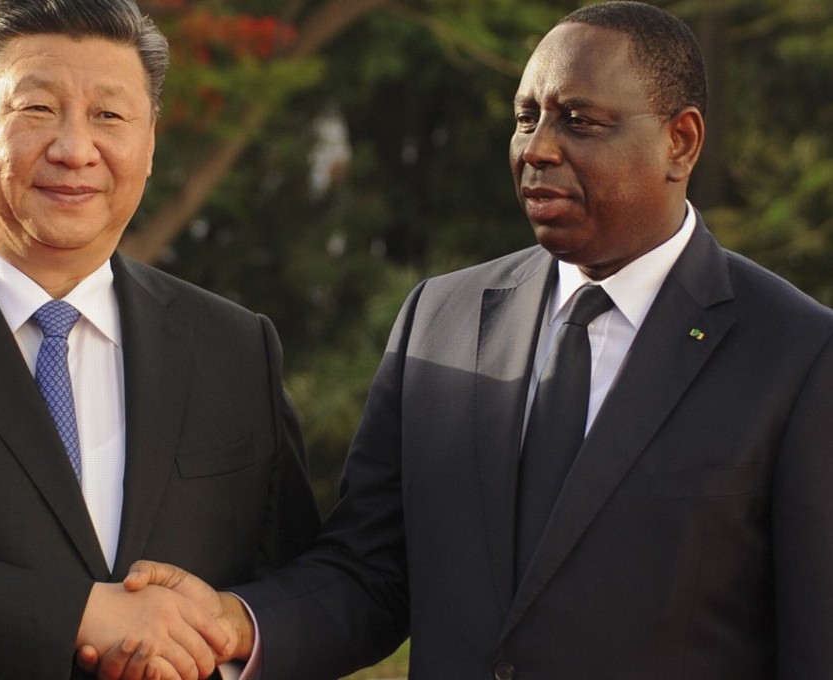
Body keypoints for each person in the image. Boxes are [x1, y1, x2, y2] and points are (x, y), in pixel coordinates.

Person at [97, 1, 833, 678]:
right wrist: (235, 624)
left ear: (681, 141)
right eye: (525, 117)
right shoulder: (440, 321)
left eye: (578, 120)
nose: (537, 149)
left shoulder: (796, 356)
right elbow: (369, 573)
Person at [0, 1, 320, 679]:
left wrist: (231, 630)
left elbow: (302, 581)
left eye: (109, 115)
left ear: (150, 141)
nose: (75, 149)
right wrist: (82, 615)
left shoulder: (233, 346)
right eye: (38, 110)